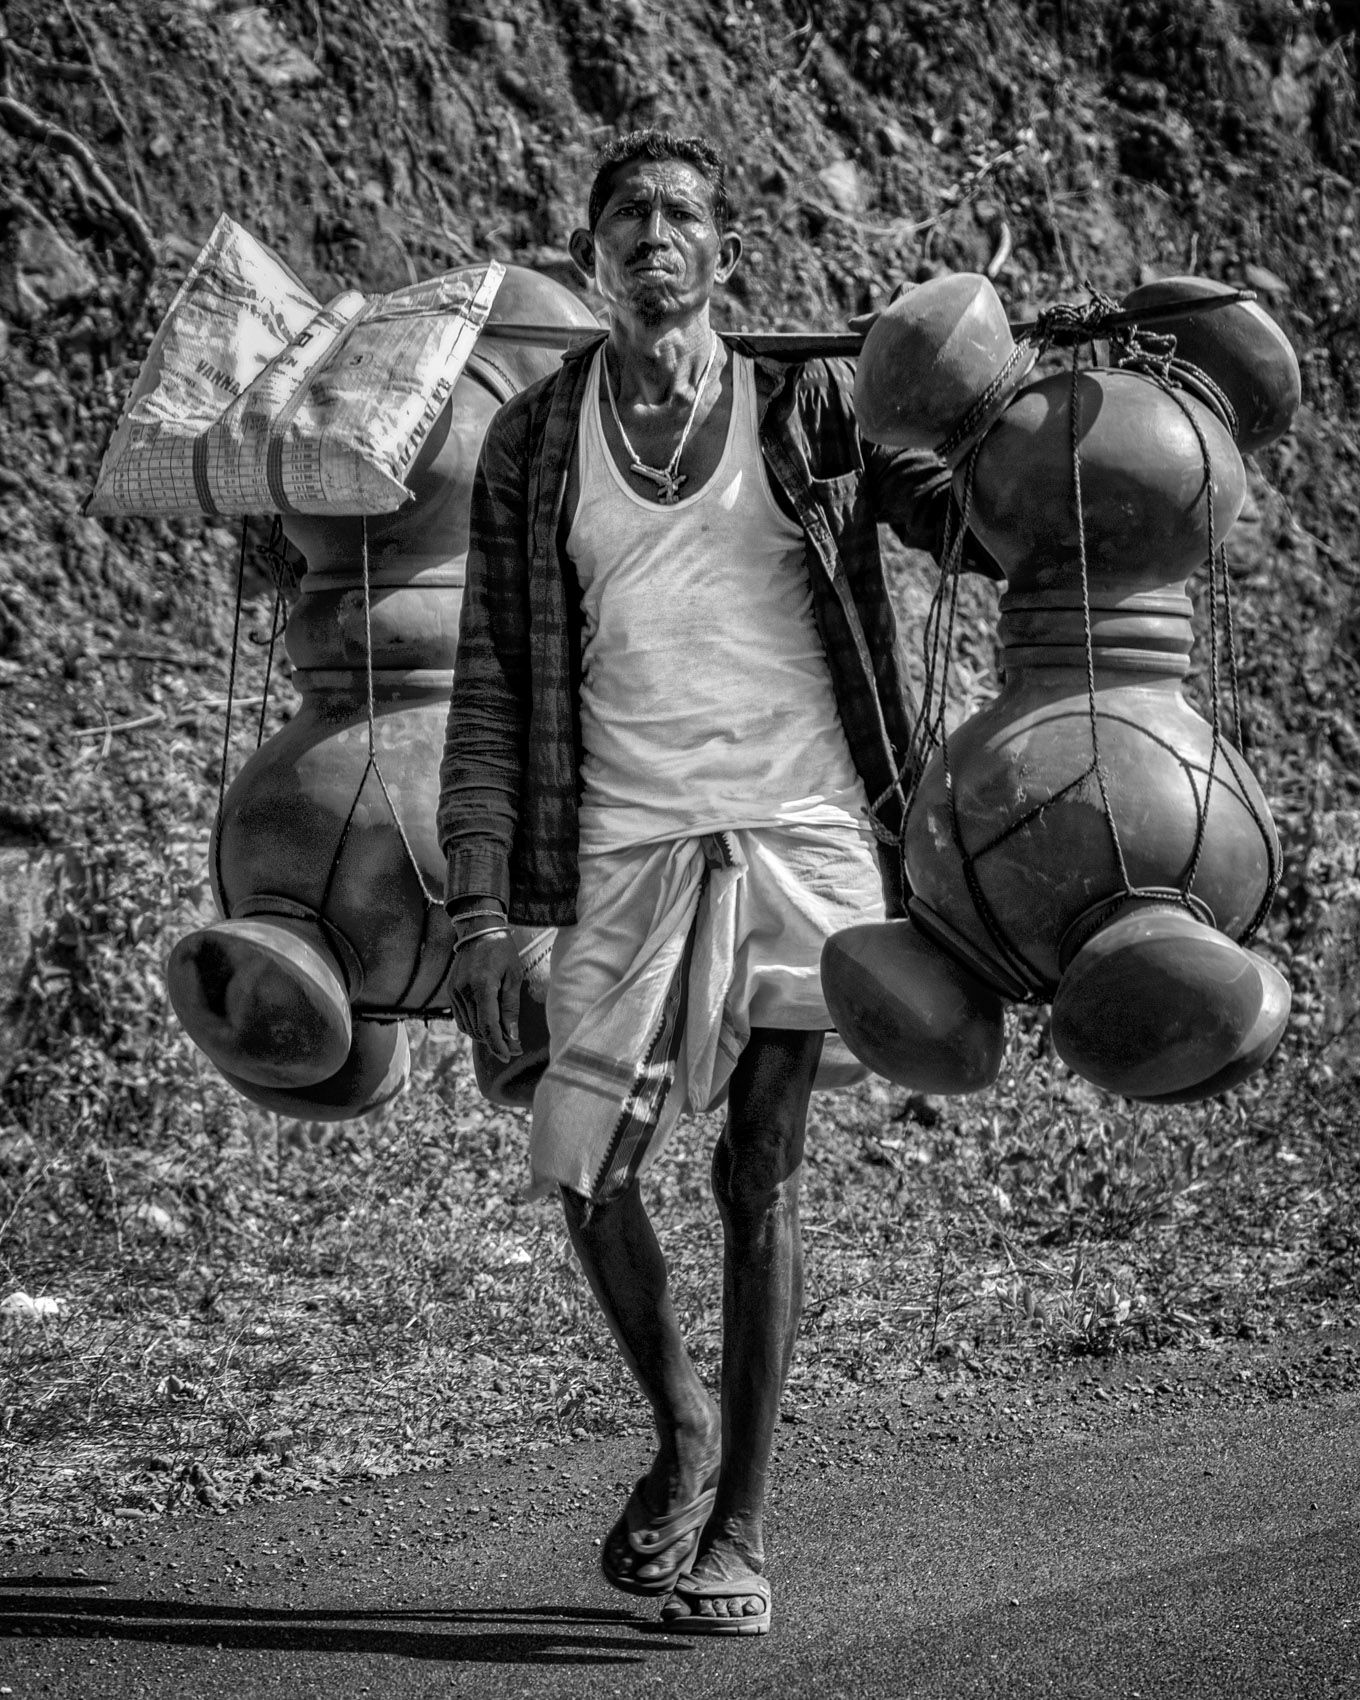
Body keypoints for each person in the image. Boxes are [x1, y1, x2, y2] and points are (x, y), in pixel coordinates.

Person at [437, 129, 981, 1636]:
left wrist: (996, 404)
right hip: (618, 834)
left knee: (761, 1164)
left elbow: (957, 511)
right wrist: (479, 902)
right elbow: (487, 679)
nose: (655, 238)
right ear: (592, 256)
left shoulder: (809, 404)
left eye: (684, 214)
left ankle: (740, 1526)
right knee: (585, 1159)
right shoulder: (538, 443)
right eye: (629, 218)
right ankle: (680, 1424)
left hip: (804, 823)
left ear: (722, 257)